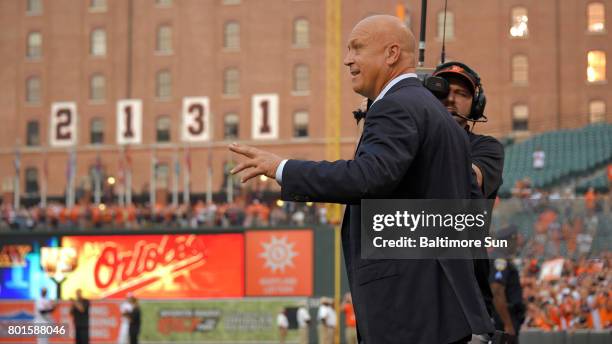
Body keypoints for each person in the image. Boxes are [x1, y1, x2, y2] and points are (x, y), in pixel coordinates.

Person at [229, 15, 492, 343]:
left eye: (357, 48)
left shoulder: (395, 106)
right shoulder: (438, 115)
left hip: (409, 310)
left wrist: (281, 167)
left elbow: (367, 177)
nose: (347, 59)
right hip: (445, 308)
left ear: (391, 54)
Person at [432, 61, 505, 336]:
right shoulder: (408, 144)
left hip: (465, 295)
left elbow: (467, 181)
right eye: (442, 91)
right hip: (415, 293)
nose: (450, 99)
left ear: (476, 104)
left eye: (462, 94)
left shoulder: (487, 148)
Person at [489, 225, 525, 344]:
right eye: (515, 240)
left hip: (503, 317)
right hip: (503, 318)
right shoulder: (500, 260)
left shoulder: (499, 257)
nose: (516, 244)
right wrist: (507, 324)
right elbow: (497, 291)